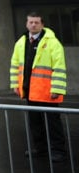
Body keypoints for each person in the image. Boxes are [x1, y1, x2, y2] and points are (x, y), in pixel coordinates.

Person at [10, 12, 68, 163]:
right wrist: (15, 85)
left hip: (48, 92)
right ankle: (40, 149)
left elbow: (59, 67)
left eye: (36, 22)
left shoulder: (53, 43)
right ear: (26, 24)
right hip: (30, 91)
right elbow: (15, 65)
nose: (33, 25)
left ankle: (58, 151)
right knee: (35, 122)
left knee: (53, 123)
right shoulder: (21, 42)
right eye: (31, 22)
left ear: (42, 24)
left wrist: (57, 89)